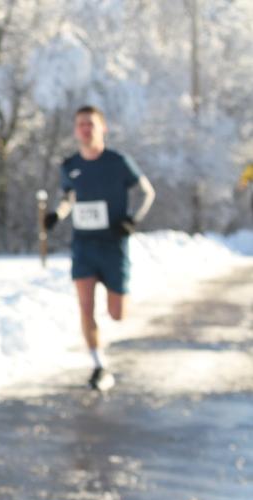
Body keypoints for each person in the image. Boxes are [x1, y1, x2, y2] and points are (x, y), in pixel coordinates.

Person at [45, 105, 155, 390]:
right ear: (75, 130)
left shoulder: (118, 161)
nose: (85, 129)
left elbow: (147, 192)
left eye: (91, 124)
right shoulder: (69, 165)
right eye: (81, 124)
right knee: (85, 307)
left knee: (117, 313)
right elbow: (68, 198)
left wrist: (133, 220)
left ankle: (118, 300)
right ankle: (98, 365)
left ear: (102, 128)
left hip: (114, 244)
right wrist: (57, 215)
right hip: (84, 244)